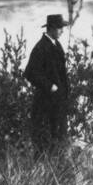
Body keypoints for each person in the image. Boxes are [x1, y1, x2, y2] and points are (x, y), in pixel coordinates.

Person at [23, 14, 70, 148]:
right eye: (60, 28)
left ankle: (55, 165)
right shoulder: (41, 47)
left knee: (58, 136)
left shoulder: (56, 44)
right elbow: (30, 73)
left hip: (57, 101)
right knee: (45, 138)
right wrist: (50, 87)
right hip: (45, 102)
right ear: (52, 28)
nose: (62, 31)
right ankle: (42, 166)